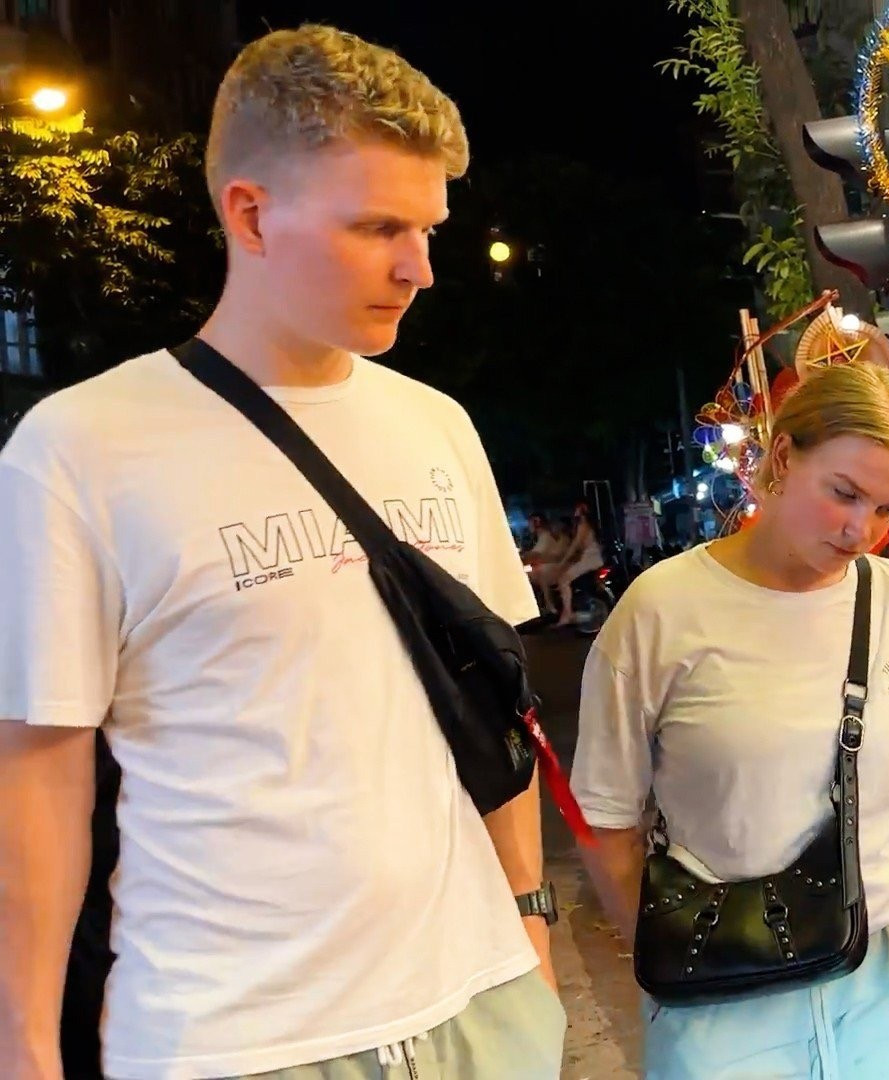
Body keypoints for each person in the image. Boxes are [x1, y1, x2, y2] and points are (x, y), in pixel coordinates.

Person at [0, 25, 563, 1080]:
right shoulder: (80, 450)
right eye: (377, 227)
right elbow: (37, 775)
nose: (419, 268)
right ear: (249, 213)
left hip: (481, 1008)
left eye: (429, 228)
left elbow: (493, 703)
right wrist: (24, 1043)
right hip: (240, 1041)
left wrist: (529, 921)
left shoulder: (437, 424)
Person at [572, 362, 889, 1079]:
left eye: (887, 508)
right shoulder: (661, 610)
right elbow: (605, 821)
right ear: (784, 457)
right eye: (844, 493)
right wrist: (669, 950)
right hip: (726, 978)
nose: (862, 530)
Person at [546, 500, 605, 626]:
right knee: (563, 577)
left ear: (583, 510)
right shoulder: (587, 525)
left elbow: (575, 546)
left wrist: (562, 562)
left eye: (577, 508)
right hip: (590, 558)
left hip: (590, 559)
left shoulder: (583, 526)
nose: (575, 511)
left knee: (563, 580)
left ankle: (567, 613)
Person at [521, 512, 564, 615]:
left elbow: (534, 555)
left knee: (525, 575)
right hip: (551, 568)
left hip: (553, 570)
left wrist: (521, 557)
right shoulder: (541, 537)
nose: (528, 525)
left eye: (530, 522)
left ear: (537, 522)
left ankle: (547, 605)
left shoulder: (545, 536)